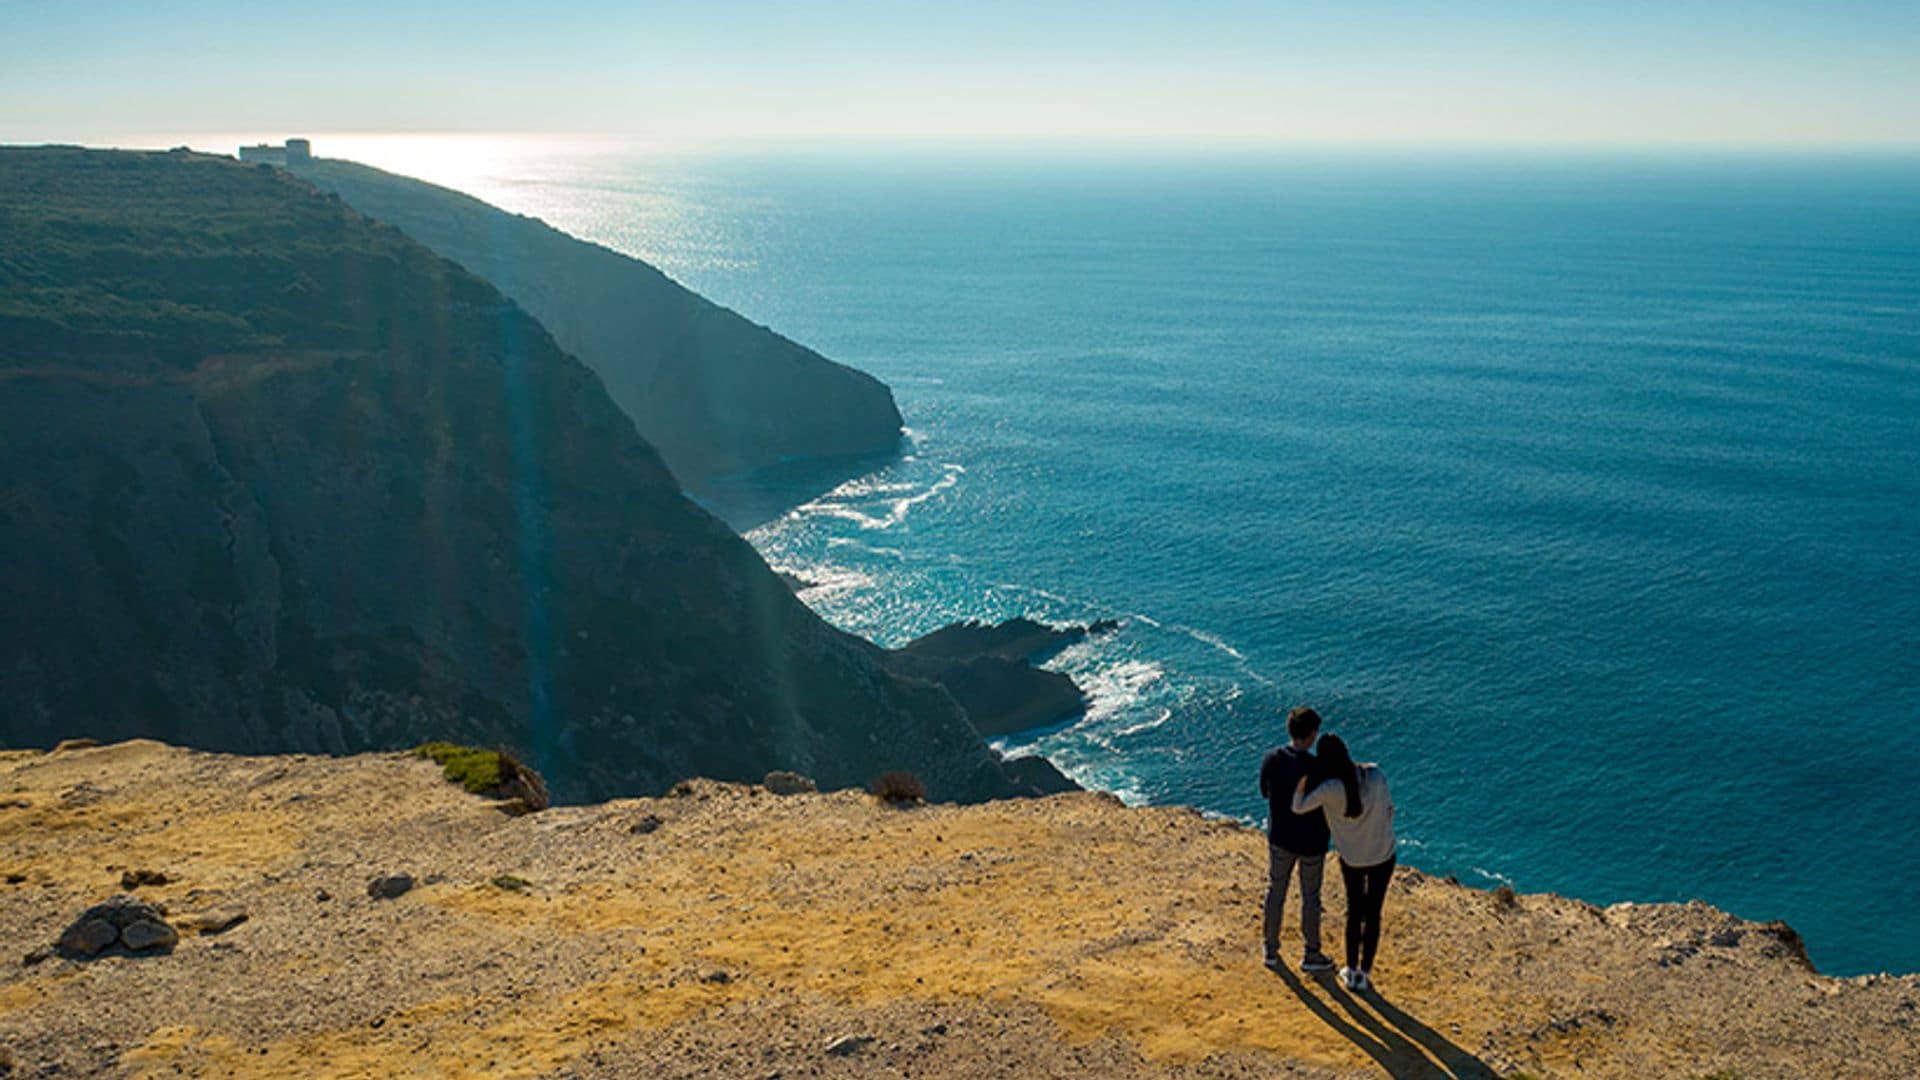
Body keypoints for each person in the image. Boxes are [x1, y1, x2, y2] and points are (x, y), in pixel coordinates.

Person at [1292, 733, 1396, 992]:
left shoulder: (1329, 790)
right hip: (1383, 854)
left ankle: (1350, 971)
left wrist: (1304, 781)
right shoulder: (1375, 775)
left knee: (1354, 912)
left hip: (1352, 859)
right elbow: (1389, 811)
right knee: (1373, 914)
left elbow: (1298, 807)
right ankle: (1364, 974)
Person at [1259, 706, 1335, 972]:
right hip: (1312, 842)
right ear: (1312, 734)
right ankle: (1311, 953)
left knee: (1276, 891)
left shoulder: (1272, 759)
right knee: (1311, 897)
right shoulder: (1318, 768)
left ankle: (1270, 949)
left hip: (1280, 837)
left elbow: (1264, 792)